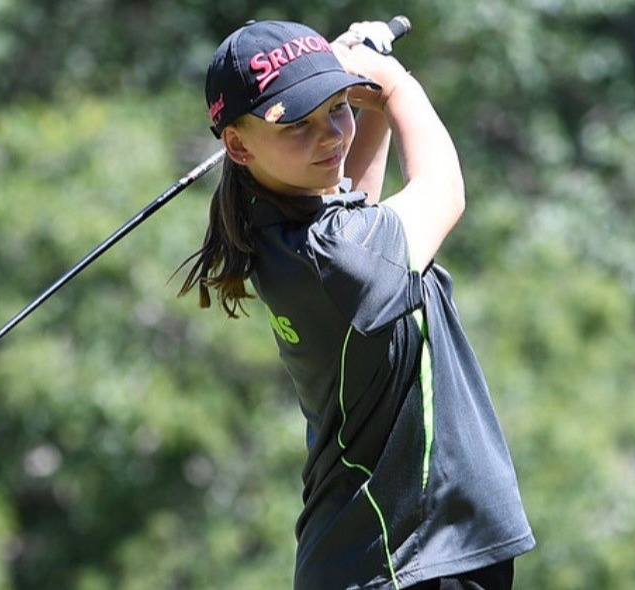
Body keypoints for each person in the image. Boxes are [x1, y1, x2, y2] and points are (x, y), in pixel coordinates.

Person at [177, 18, 536, 590]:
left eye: (336, 109)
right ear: (238, 145)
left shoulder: (281, 229)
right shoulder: (336, 258)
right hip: (406, 560)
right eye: (297, 122)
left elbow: (355, 202)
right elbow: (444, 191)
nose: (328, 137)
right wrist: (392, 85)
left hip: (392, 557)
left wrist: (365, 105)